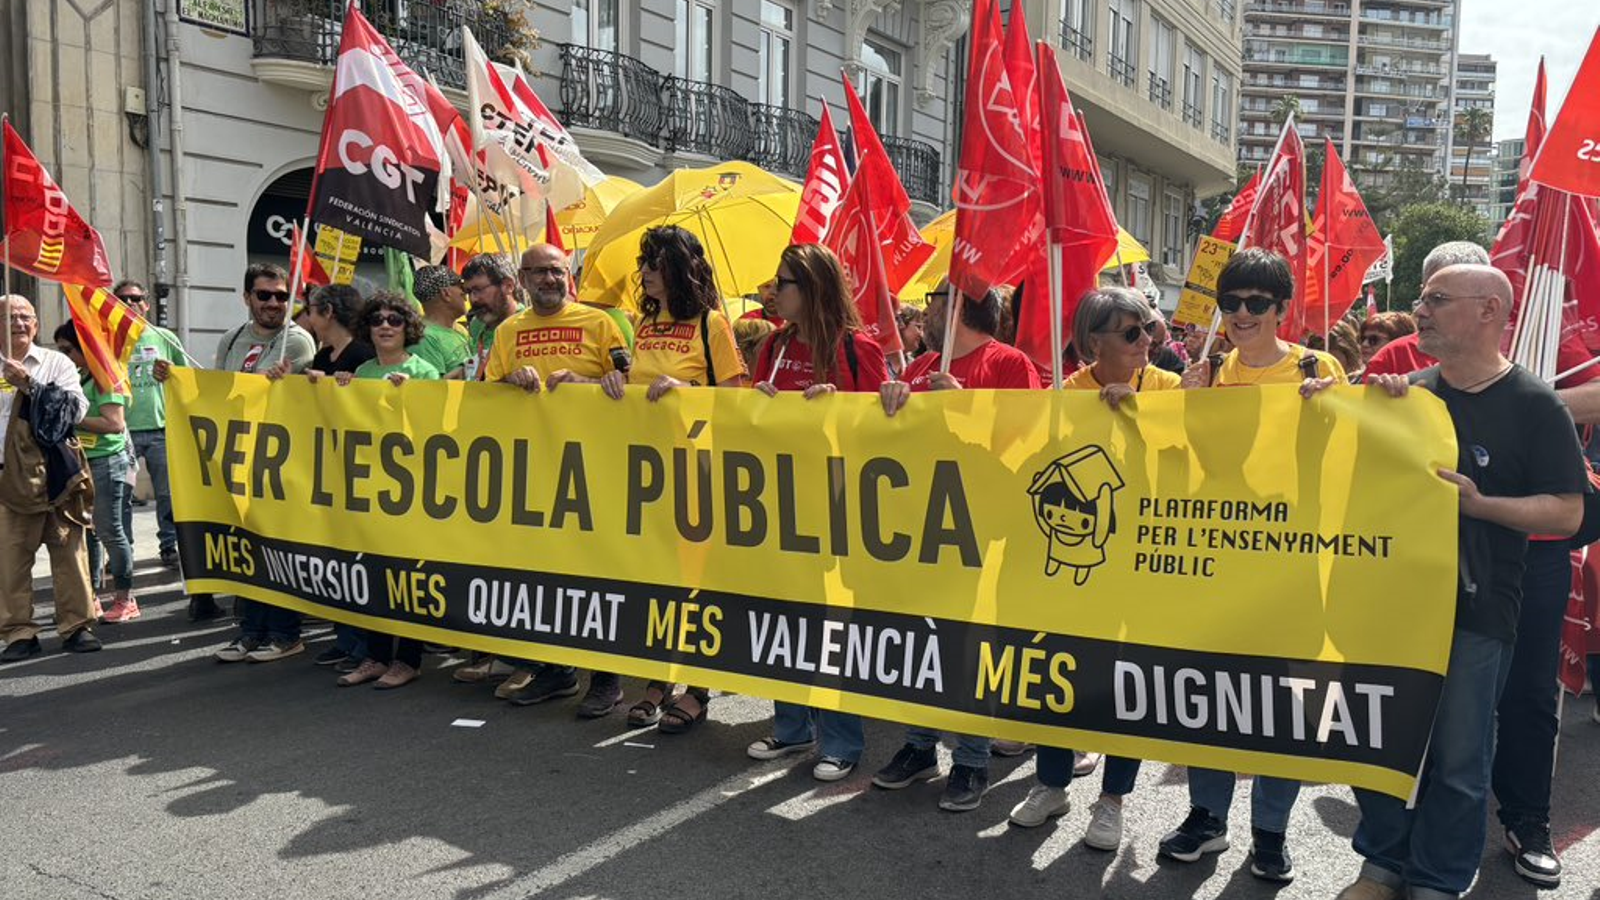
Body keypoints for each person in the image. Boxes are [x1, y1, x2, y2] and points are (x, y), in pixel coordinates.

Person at [1338, 264, 1585, 900]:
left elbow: (1567, 509)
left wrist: (1481, 506)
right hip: (1390, 603)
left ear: (1489, 312)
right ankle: (1383, 863)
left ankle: (1439, 879)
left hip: (1478, 607)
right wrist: (1330, 408)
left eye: (1437, 299)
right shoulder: (1406, 395)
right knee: (1382, 739)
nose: (1420, 309)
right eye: (1421, 298)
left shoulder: (1536, 405)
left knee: (1457, 756)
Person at [1167, 249, 1346, 883]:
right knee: (1211, 696)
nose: (1241, 314)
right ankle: (1207, 816)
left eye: (1256, 304)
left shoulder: (1316, 367)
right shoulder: (1207, 372)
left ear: (1281, 308)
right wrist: (1183, 408)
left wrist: (1330, 407)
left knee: (1286, 705)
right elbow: (1184, 465)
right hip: (1218, 560)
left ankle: (1269, 831)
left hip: (1293, 565)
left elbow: (1352, 454)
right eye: (1230, 302)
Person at [998, 288, 1177, 842]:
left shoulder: (1169, 388)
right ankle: (1050, 785)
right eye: (1131, 332)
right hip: (1074, 564)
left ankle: (1113, 801)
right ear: (1093, 341)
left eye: (1148, 327)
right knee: (1064, 669)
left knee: (1127, 683)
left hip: (1141, 563)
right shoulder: (1064, 394)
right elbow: (1022, 460)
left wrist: (1142, 422)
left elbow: (1191, 465)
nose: (1147, 340)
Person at [559, 225, 748, 734]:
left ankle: (700, 688)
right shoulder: (643, 324)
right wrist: (605, 382)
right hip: (648, 473)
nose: (643, 271)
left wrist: (686, 391)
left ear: (679, 268)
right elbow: (638, 391)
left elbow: (736, 398)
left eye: (653, 261)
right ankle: (659, 680)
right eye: (644, 262)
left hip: (699, 470)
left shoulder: (712, 325)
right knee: (660, 583)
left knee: (699, 585)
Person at [873, 280, 1037, 810]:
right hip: (924, 526)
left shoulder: (1009, 364)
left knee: (969, 646)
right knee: (920, 640)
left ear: (959, 306)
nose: (925, 311)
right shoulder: (919, 370)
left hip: (982, 526)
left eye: (935, 301)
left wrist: (963, 406)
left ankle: (971, 760)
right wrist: (893, 401)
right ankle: (919, 746)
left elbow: (1030, 441)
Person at [746, 243, 888, 781]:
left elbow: (889, 434)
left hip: (838, 507)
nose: (773, 291)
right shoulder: (775, 347)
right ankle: (791, 727)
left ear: (812, 288)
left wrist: (842, 410)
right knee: (786, 618)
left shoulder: (857, 349)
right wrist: (757, 402)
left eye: (782, 282)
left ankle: (842, 740)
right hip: (779, 506)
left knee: (833, 628)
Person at [487, 242, 628, 717]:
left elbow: (631, 388)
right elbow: (484, 395)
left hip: (592, 472)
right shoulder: (508, 331)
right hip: (533, 475)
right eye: (539, 273)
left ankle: (606, 679)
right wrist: (510, 381)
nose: (550, 279)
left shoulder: (601, 323)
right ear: (522, 280)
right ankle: (555, 671)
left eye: (556, 270)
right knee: (541, 578)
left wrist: (589, 386)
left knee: (594, 577)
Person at [155, 263, 315, 647]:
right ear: (247, 298)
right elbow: (219, 392)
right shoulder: (230, 340)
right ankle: (250, 631)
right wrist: (176, 379)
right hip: (238, 457)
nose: (274, 303)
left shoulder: (297, 341)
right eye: (264, 295)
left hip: (280, 460)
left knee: (276, 550)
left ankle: (284, 633)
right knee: (246, 547)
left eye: (281, 295)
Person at [329, 293, 442, 689]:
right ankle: (376, 657)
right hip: (371, 489)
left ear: (407, 327)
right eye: (377, 319)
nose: (386, 325)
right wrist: (340, 388)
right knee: (373, 573)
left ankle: (407, 659)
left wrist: (411, 397)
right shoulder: (361, 371)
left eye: (395, 319)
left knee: (406, 576)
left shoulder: (425, 371)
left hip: (410, 491)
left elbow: (437, 431)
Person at [269, 283, 373, 671]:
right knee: (336, 558)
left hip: (357, 473)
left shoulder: (361, 355)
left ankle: (363, 642)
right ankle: (345, 638)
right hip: (327, 473)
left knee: (357, 558)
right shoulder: (323, 355)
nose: (306, 317)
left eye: (311, 309)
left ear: (328, 313)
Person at [0, 294, 101, 661]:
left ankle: (77, 626)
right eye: (9, 316)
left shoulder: (55, 362)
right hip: (6, 482)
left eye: (26, 316)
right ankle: (18, 633)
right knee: (10, 561)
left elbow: (74, 410)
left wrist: (29, 384)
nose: (19, 323)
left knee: (70, 554)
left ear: (37, 325)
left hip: (56, 477)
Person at [52, 323, 137, 624]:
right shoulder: (78, 374)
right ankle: (91, 597)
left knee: (110, 530)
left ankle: (125, 599)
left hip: (107, 461)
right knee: (88, 532)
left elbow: (114, 423)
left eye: (68, 350)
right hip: (82, 461)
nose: (64, 356)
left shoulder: (105, 376)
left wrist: (72, 415)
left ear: (84, 347)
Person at [112, 280, 185, 569]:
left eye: (135, 299)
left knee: (167, 494)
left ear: (146, 304)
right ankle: (123, 550)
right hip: (121, 431)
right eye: (122, 299)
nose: (129, 304)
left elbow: (188, 375)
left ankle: (169, 546)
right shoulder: (107, 339)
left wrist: (172, 373)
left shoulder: (163, 336)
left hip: (160, 428)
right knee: (122, 497)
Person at [461, 253, 523, 383]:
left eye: (479, 290)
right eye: (469, 292)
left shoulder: (527, 324)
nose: (473, 299)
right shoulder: (476, 325)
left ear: (508, 286)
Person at [411, 265, 472, 379]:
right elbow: (433, 390)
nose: (466, 295)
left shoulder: (460, 330)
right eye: (461, 288)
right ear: (446, 294)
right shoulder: (424, 338)